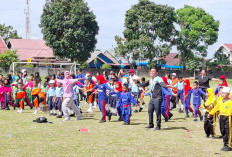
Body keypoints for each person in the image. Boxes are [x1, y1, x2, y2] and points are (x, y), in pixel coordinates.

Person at [208, 87, 232, 151]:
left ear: (228, 94)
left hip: (228, 117)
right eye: (222, 93)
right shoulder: (220, 101)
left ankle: (229, 146)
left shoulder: (230, 102)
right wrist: (210, 113)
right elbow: (216, 108)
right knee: (223, 131)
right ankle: (225, 144)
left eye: (225, 93)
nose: (223, 94)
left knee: (228, 131)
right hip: (221, 117)